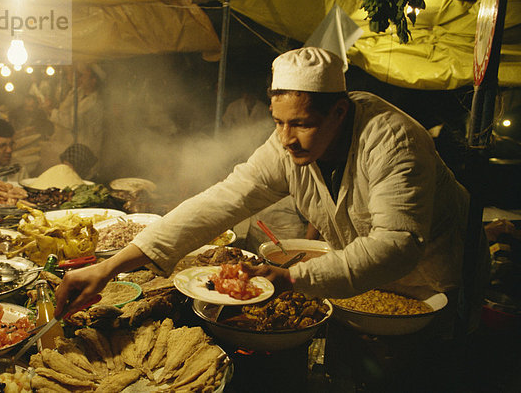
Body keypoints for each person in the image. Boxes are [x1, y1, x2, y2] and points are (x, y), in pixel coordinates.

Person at [55, 47, 475, 333]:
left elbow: (397, 244)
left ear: (339, 112)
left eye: (302, 124)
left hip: (430, 286)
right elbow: (222, 200)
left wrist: (292, 277)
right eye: (278, 122)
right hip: (359, 285)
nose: (287, 138)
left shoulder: (393, 141)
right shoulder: (286, 145)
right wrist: (109, 267)